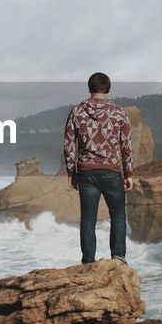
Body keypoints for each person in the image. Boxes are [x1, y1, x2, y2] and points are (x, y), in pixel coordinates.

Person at [63, 72, 134, 264]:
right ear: (108, 88)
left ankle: (88, 261)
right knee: (118, 215)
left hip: (86, 172)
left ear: (90, 88)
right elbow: (126, 145)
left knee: (88, 218)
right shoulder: (119, 112)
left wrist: (71, 171)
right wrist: (128, 173)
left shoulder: (77, 111)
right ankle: (118, 258)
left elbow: (69, 144)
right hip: (112, 172)